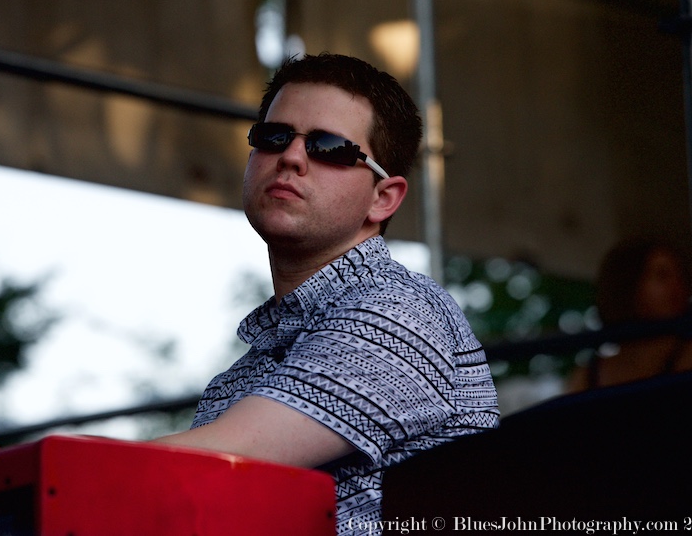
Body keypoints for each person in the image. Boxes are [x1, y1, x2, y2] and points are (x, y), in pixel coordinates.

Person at [154, 53, 499, 534]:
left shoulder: (401, 311)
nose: (291, 157)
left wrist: (43, 466)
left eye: (330, 147)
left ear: (384, 198)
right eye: (274, 136)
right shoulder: (238, 379)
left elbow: (221, 456)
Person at [568, 236, 692, 392]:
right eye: (661, 276)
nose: (676, 285)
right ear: (629, 285)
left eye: (680, 276)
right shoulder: (588, 376)